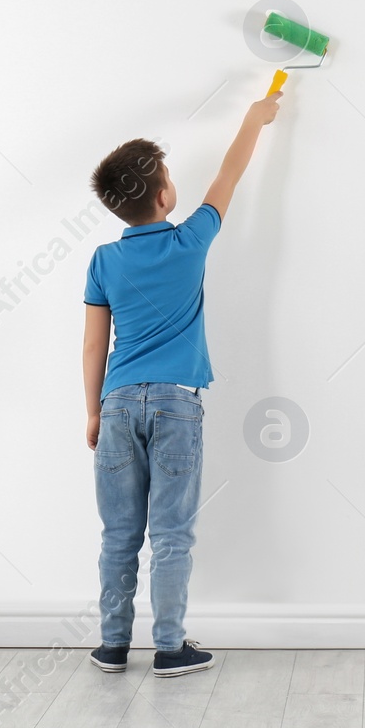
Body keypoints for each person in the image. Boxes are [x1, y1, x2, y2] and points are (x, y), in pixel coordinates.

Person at [80, 87, 282, 677]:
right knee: (171, 532)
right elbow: (230, 173)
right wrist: (255, 117)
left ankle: (112, 646)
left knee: (119, 534)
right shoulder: (190, 239)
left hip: (116, 406)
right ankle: (170, 647)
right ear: (167, 195)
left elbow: (95, 344)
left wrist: (93, 412)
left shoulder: (102, 261)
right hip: (176, 406)